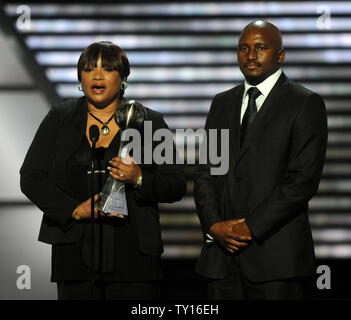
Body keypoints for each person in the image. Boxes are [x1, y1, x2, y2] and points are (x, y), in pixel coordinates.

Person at [20, 41, 186, 300]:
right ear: (80, 78)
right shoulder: (60, 118)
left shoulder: (150, 121)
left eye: (107, 69)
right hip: (75, 257)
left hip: (134, 261)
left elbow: (175, 184)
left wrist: (139, 178)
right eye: (88, 69)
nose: (97, 76)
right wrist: (74, 210)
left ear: (122, 78)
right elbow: (31, 178)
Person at [194, 21, 328, 300]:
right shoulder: (222, 102)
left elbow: (302, 182)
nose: (250, 55)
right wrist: (214, 225)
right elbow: (207, 171)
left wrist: (248, 227)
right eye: (243, 48)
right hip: (221, 261)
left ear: (280, 55)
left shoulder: (304, 102)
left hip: (276, 261)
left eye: (260, 48)